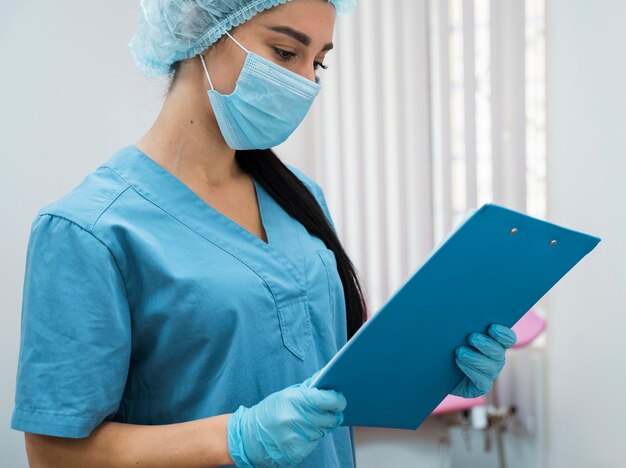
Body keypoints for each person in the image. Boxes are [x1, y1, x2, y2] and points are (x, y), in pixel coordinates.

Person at [10, 0, 518, 466]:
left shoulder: (297, 197)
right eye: (285, 51)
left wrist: (435, 367)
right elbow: (54, 454)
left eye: (317, 62)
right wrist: (235, 437)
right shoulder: (89, 230)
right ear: (198, 30)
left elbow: (325, 379)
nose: (306, 81)